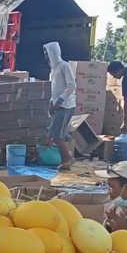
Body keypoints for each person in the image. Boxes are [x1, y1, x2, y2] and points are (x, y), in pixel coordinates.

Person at [44, 41, 75, 170]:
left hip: (65, 106)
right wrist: (51, 104)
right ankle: (67, 158)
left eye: (47, 53)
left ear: (53, 53)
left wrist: (60, 101)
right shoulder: (53, 69)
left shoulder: (64, 66)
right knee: (55, 134)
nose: (46, 56)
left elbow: (71, 86)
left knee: (57, 135)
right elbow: (55, 89)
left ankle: (67, 159)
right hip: (57, 105)